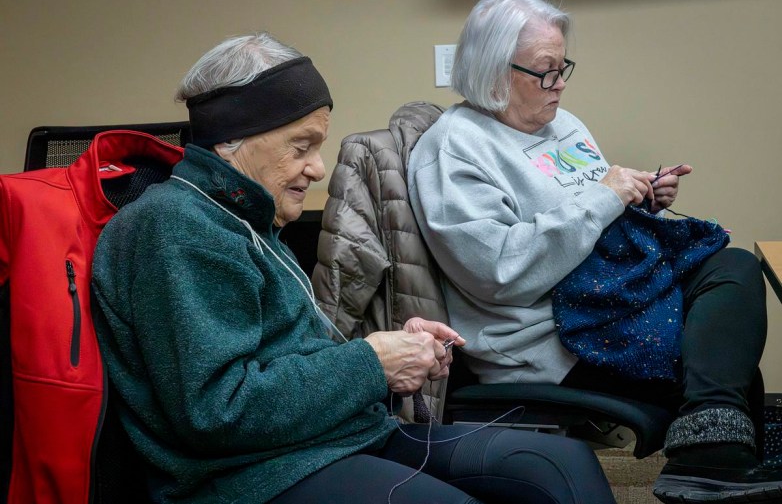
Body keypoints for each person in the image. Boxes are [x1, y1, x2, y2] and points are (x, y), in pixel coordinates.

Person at [90, 32, 617, 504]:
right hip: (246, 473)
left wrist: (396, 350)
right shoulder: (177, 230)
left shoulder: (246, 213)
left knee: (560, 465)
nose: (317, 168)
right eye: (302, 147)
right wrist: (371, 364)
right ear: (233, 144)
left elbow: (288, 359)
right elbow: (217, 411)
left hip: (331, 435)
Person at [407, 0, 782, 504]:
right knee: (725, 371)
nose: (559, 85)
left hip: (610, 294)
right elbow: (500, 273)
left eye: (564, 68)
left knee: (733, 269)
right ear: (494, 70)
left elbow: (589, 211)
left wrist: (639, 197)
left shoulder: (561, 125)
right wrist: (607, 197)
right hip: (551, 331)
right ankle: (711, 465)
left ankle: (712, 463)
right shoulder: (453, 151)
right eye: (545, 72)